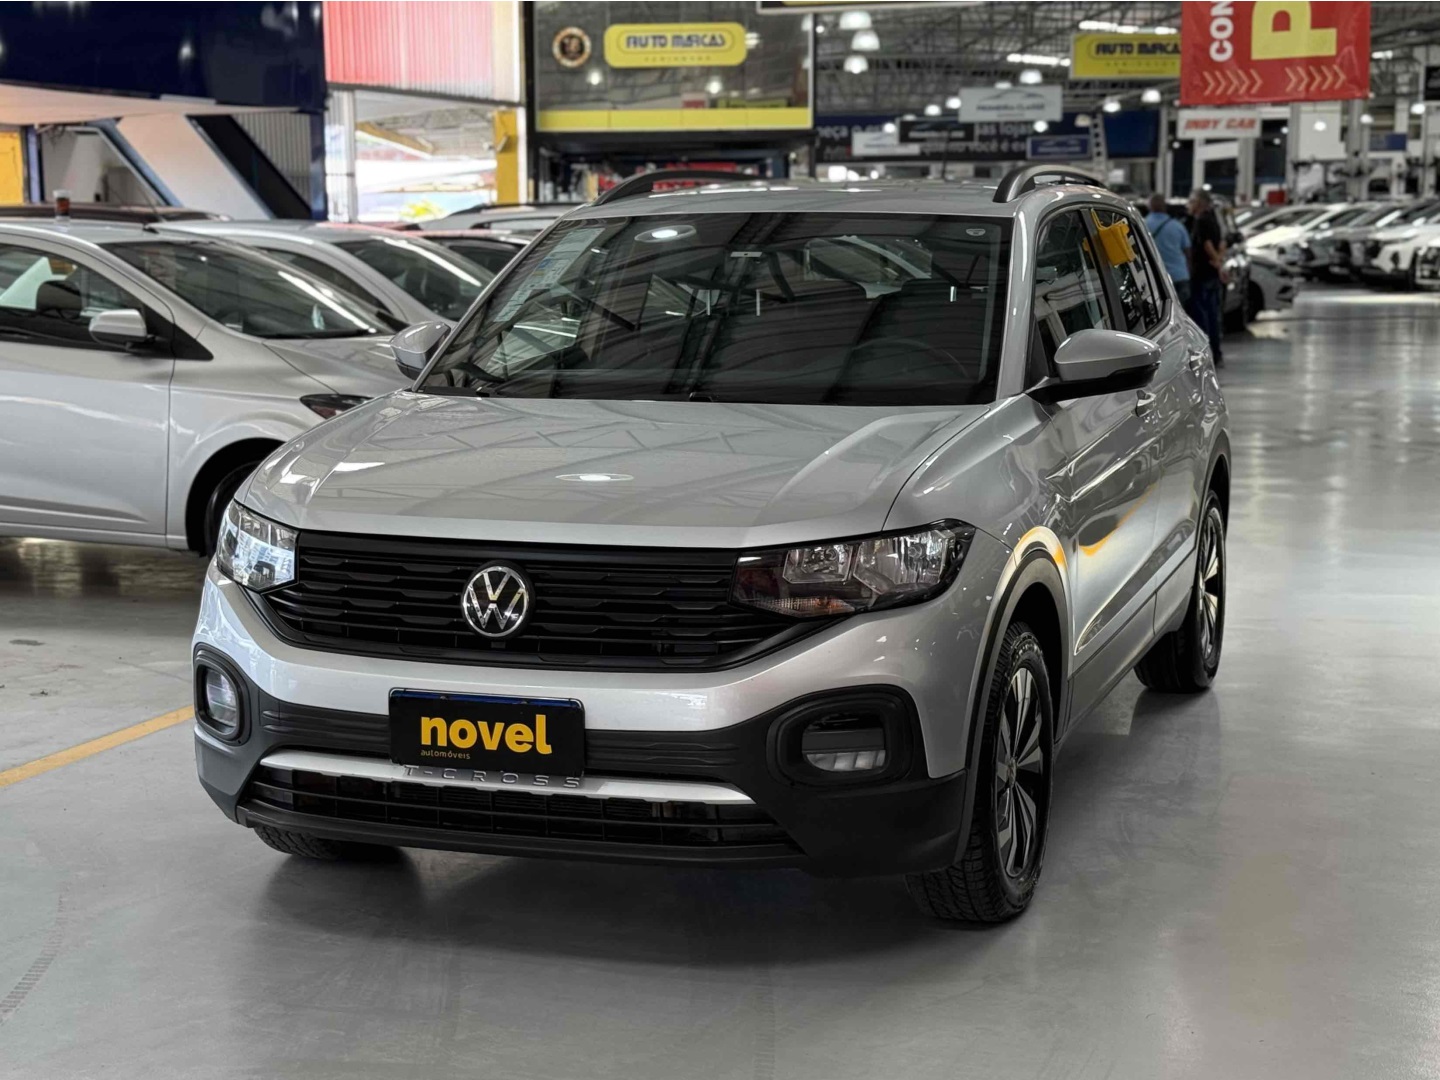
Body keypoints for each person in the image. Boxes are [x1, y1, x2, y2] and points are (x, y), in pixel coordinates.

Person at [1187, 188, 1226, 366]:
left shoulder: (1201, 220)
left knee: (1201, 317)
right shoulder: (1214, 219)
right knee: (1213, 315)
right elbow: (1222, 242)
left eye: (1192, 201)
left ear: (1199, 203)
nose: (1189, 205)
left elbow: (1207, 244)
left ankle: (1206, 353)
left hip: (1202, 273)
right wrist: (1219, 261)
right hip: (1212, 274)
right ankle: (1216, 353)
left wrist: (1215, 260)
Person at [1144, 193, 1191, 306]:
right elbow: (1188, 252)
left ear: (1149, 206)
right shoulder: (1178, 226)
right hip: (1180, 276)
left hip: (1156, 280)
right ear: (1165, 207)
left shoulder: (1142, 225)